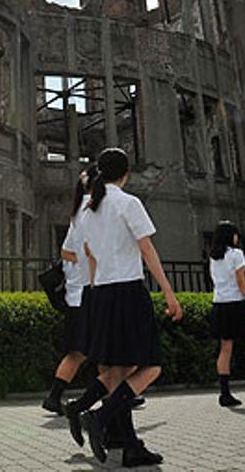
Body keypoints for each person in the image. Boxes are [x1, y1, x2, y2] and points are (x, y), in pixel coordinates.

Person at [64, 148, 182, 468]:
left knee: (118, 370)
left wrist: (91, 293)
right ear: (126, 172)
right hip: (127, 290)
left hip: (99, 293)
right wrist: (169, 291)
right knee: (150, 366)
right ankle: (100, 419)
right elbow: (146, 249)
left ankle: (123, 441)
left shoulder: (87, 210)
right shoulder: (128, 203)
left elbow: (86, 256)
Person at [42, 172, 94, 414]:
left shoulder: (79, 213)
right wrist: (91, 259)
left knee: (86, 351)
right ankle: (55, 396)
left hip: (79, 294)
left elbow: (66, 252)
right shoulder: (87, 212)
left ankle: (116, 391)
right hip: (83, 294)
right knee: (81, 352)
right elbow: (68, 253)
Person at [207, 220, 245, 407]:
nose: (237, 237)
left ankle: (224, 393)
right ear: (230, 236)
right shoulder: (236, 254)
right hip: (238, 304)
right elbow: (242, 282)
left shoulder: (213, 257)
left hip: (220, 304)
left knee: (225, 348)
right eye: (235, 234)